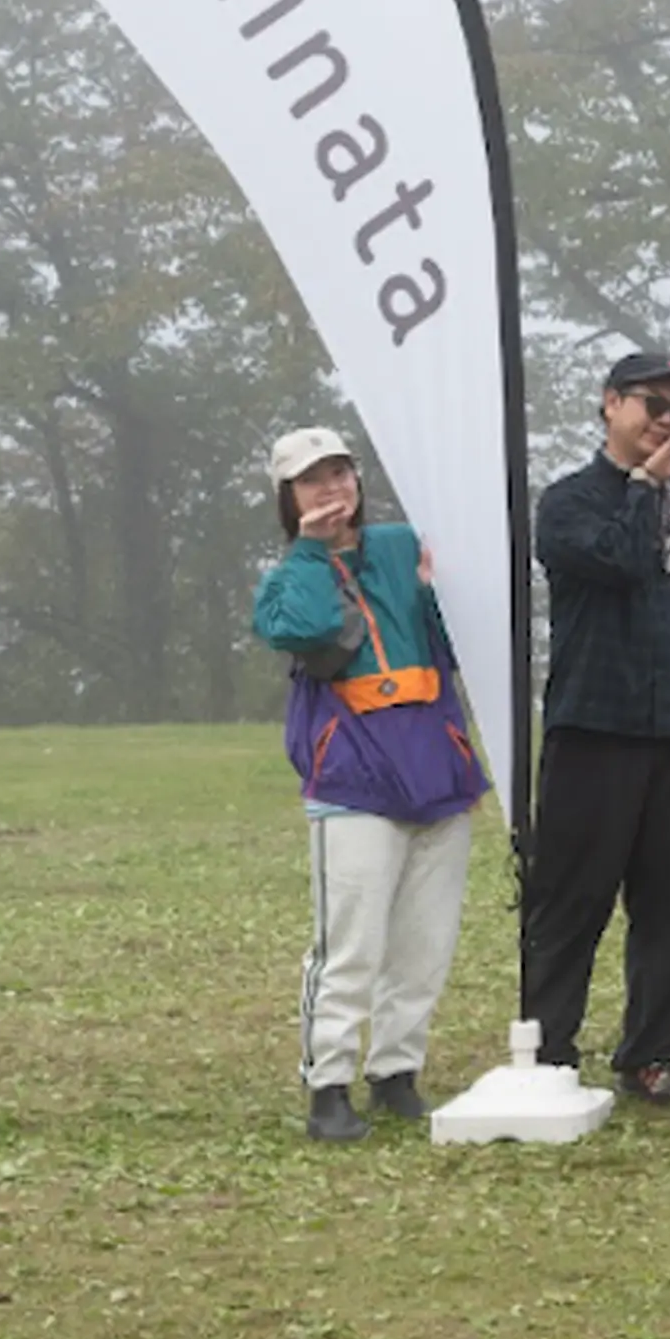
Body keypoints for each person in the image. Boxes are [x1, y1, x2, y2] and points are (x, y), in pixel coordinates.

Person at [252, 427, 495, 1143]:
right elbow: (308, 628)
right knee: (350, 943)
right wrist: (310, 551)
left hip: (435, 768)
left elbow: (460, 634)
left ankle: (397, 1071)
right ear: (288, 498)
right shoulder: (285, 578)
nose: (330, 489)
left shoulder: (400, 546)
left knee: (425, 940)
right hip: (354, 778)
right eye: (310, 480)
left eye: (339, 473)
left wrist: (431, 590)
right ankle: (329, 1084)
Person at [522, 349, 670, 1105]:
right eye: (653, 404)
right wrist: (644, 488)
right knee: (573, 899)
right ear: (611, 403)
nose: (667, 421)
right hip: (595, 724)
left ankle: (649, 1054)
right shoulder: (571, 501)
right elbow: (615, 562)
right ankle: (548, 1051)